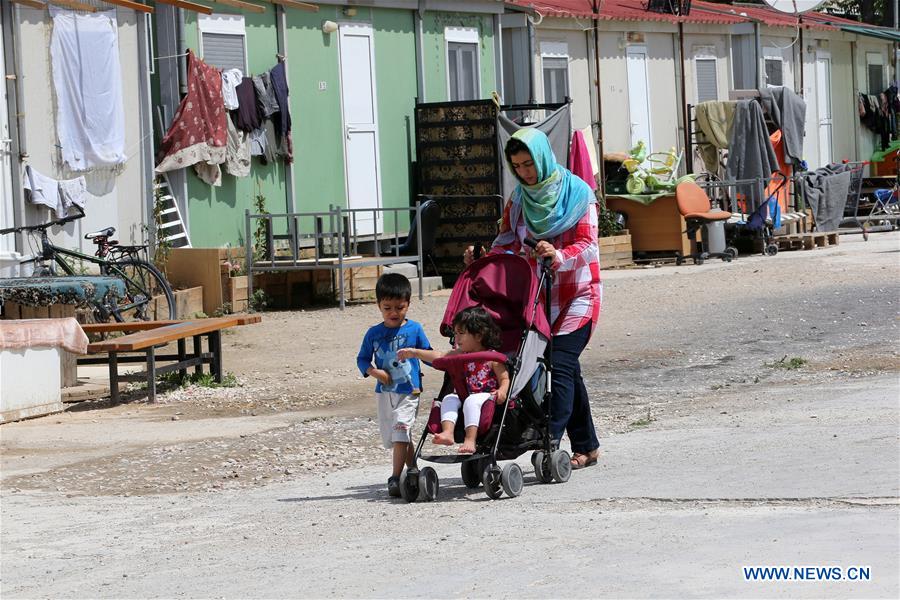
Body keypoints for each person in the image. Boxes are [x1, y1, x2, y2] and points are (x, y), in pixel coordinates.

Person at [464, 128, 601, 470]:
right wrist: (482, 258)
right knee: (570, 371)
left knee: (560, 364)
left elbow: (589, 245)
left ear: (541, 157)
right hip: (536, 298)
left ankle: (549, 438)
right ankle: (588, 445)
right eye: (517, 166)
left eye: (529, 164)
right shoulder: (520, 200)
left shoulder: (578, 193)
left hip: (578, 294)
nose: (525, 172)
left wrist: (559, 254)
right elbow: (506, 242)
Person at [356, 273, 432, 497]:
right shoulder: (374, 333)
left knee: (401, 428)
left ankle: (394, 477)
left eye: (399, 307)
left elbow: (428, 352)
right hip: (385, 392)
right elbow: (361, 359)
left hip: (409, 391)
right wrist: (374, 372)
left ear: (408, 304)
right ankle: (413, 470)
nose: (393, 313)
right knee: (398, 434)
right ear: (378, 305)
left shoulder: (415, 329)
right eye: (387, 307)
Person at [398, 307, 510, 455]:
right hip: (464, 394)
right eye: (455, 333)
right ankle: (448, 432)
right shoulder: (460, 354)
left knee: (471, 401)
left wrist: (502, 391)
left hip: (486, 395)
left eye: (461, 333)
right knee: (449, 398)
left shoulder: (492, 358)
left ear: (478, 335)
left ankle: (470, 440)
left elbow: (504, 377)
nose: (456, 338)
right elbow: (439, 355)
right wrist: (415, 353)